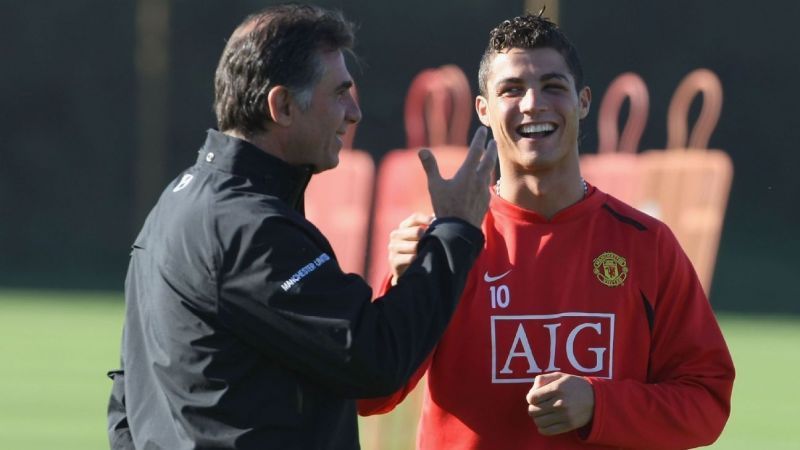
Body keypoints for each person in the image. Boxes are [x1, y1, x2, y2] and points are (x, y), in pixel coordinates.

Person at [106, 4, 497, 449]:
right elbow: (376, 360)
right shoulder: (251, 229)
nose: (354, 113)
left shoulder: (178, 200)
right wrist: (455, 230)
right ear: (283, 106)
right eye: (339, 93)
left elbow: (127, 392)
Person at [358, 11, 735, 449]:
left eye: (553, 87)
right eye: (511, 89)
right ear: (483, 110)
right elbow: (371, 392)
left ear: (584, 102)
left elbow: (706, 402)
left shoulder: (646, 244)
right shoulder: (447, 245)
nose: (533, 103)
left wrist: (599, 403)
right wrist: (406, 282)